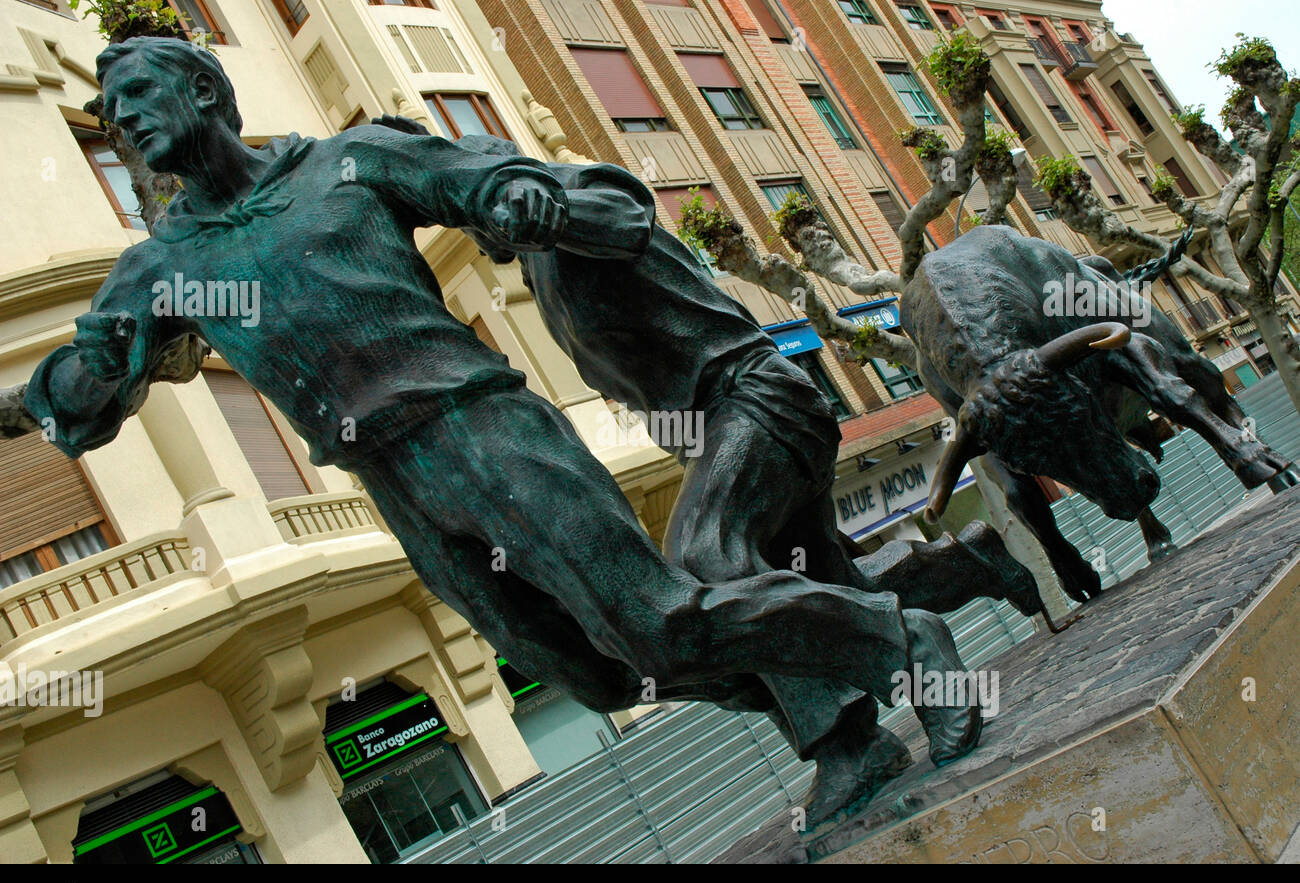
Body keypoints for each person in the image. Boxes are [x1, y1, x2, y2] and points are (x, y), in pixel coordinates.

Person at [23, 38, 980, 825]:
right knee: (600, 673)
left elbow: (515, 185)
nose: (124, 123)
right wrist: (67, 382)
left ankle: (901, 644)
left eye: (138, 95)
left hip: (479, 428)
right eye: (108, 119)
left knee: (652, 623)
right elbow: (75, 394)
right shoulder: (157, 270)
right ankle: (845, 737)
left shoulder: (350, 161)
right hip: (394, 483)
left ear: (203, 87)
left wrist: (524, 200)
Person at [446, 134, 1040, 825]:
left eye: (464, 205)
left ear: (500, 178)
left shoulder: (575, 190)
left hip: (754, 401)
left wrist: (539, 205)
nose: (464, 224)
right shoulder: (538, 271)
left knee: (703, 569)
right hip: (726, 434)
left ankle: (885, 691)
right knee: (826, 597)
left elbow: (626, 217)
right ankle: (968, 565)